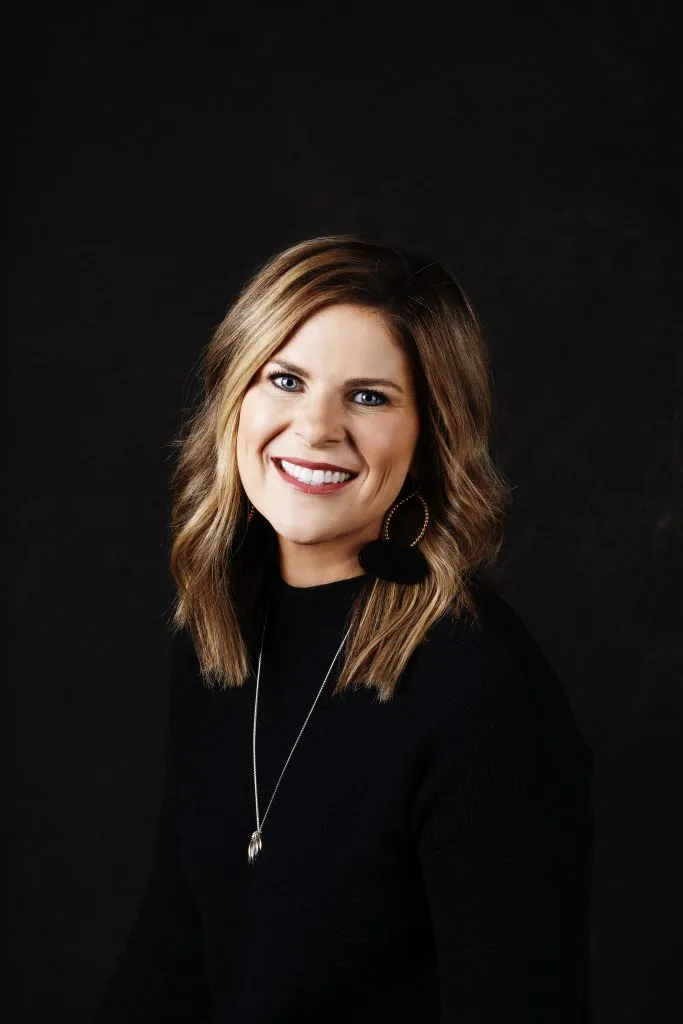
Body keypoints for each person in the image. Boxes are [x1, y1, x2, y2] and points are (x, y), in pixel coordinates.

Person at [93, 234, 594, 1022]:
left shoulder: (477, 690)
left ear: (431, 436)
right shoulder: (221, 638)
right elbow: (171, 955)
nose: (316, 427)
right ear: (233, 398)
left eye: (370, 396)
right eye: (285, 380)